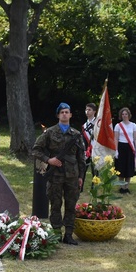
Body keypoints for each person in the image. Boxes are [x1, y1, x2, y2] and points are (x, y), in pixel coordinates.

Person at [31, 102, 85, 245]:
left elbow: (81, 158)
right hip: (55, 175)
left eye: (67, 112)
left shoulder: (77, 135)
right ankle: (56, 234)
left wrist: (81, 177)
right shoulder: (49, 132)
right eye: (62, 112)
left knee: (71, 205)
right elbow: (36, 150)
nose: (64, 114)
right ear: (58, 115)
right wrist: (49, 160)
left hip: (72, 176)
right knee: (55, 205)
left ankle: (68, 234)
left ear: (71, 115)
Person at [113, 107, 136, 194]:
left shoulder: (133, 125)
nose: (124, 116)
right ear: (121, 115)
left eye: (126, 114)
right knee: (121, 168)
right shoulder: (118, 126)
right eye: (123, 114)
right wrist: (116, 150)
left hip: (130, 148)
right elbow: (116, 138)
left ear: (129, 115)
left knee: (129, 167)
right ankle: (121, 187)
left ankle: (126, 187)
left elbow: (135, 139)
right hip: (121, 147)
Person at [81, 103, 97, 187]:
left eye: (89, 110)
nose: (87, 111)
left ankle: (94, 186)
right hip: (87, 149)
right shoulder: (84, 125)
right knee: (83, 168)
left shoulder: (97, 124)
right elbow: (83, 138)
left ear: (94, 111)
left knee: (95, 169)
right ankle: (80, 186)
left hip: (95, 149)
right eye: (86, 109)